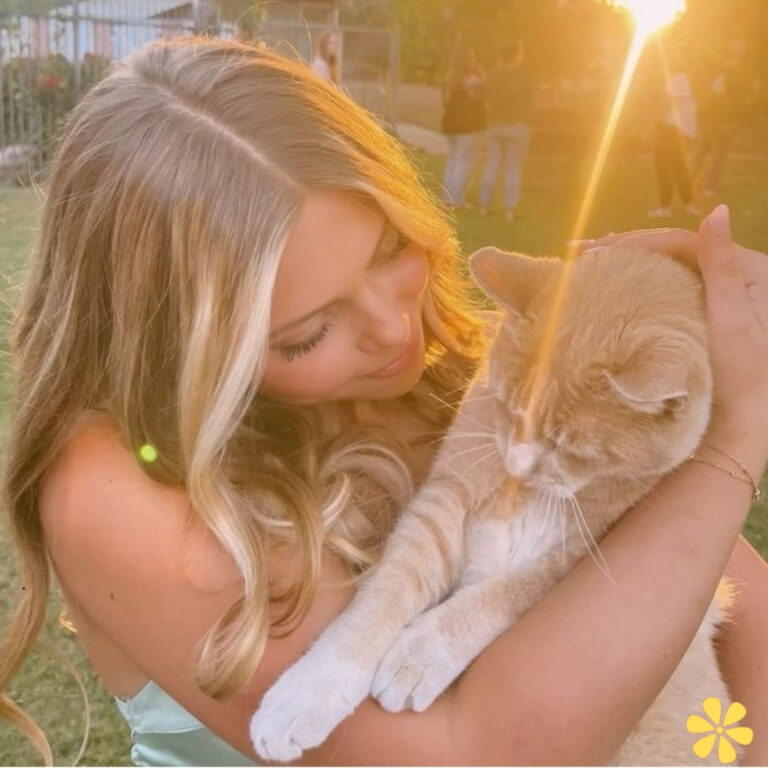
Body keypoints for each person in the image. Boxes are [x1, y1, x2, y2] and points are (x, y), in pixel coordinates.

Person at [1, 36, 767, 767]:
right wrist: (732, 440)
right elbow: (481, 756)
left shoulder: (463, 375)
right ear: (182, 354)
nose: (396, 326)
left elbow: (747, 630)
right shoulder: (110, 487)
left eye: (392, 250)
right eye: (307, 333)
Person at [477, 39, 534, 221]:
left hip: (494, 124)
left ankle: (484, 207)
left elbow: (483, 98)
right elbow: (529, 102)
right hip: (516, 126)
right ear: (517, 56)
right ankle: (510, 210)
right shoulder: (522, 77)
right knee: (513, 168)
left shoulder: (491, 76)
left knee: (491, 166)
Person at [648, 43, 701, 219]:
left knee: (662, 165)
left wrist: (651, 124)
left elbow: (667, 103)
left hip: (672, 128)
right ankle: (689, 204)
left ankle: (665, 206)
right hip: (684, 129)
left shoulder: (678, 78)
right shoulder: (687, 78)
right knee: (679, 166)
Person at [441, 44, 486, 211]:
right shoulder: (471, 82)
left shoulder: (448, 79)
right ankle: (456, 201)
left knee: (452, 161)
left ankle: (446, 198)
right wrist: (479, 70)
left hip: (450, 125)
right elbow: (482, 93)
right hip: (467, 127)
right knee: (462, 163)